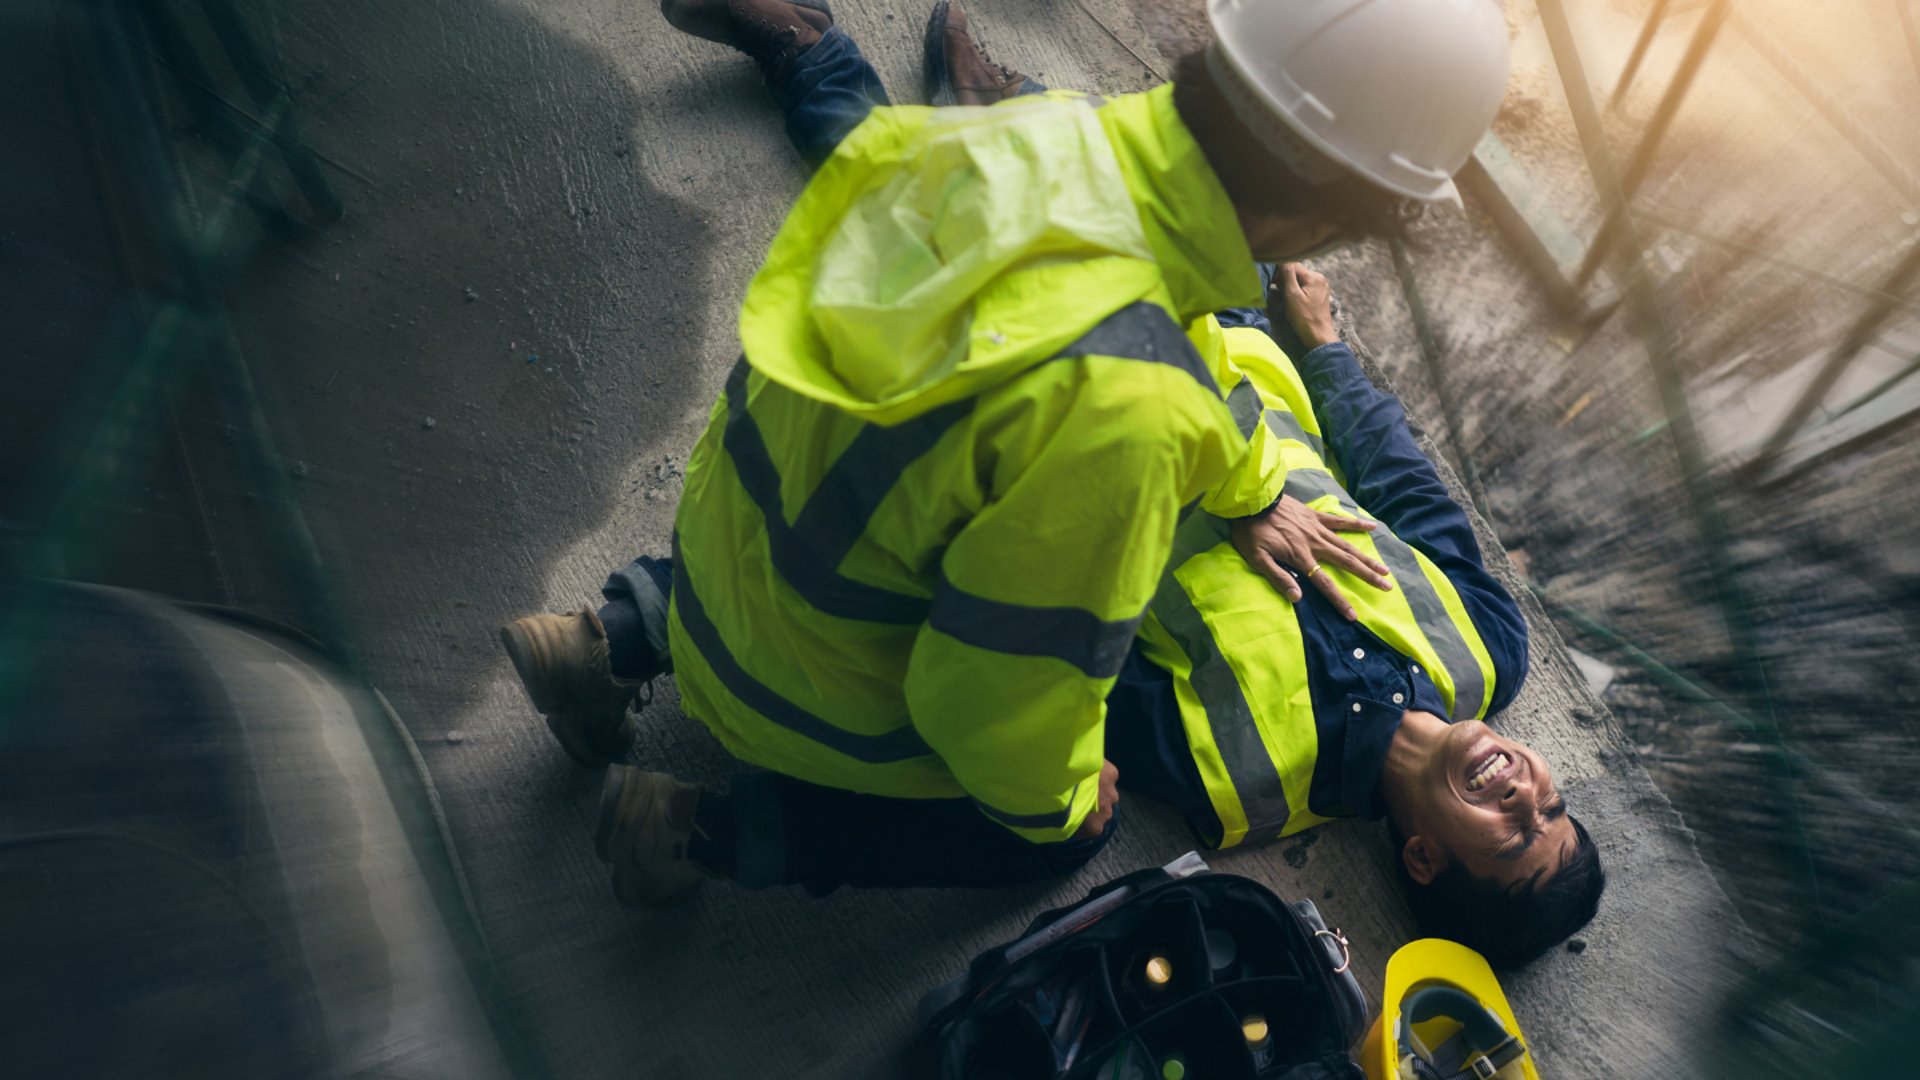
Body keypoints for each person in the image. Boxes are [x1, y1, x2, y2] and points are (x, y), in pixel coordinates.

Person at [500, 1, 1599, 964]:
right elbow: (989, 702)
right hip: (788, 669)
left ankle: (610, 633)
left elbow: (1162, 347)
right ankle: (690, 811)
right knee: (1053, 825)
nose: (1525, 785)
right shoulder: (1134, 415)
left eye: (1522, 826)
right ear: (1335, 217)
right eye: (1553, 799)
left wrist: (1251, 480)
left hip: (735, 530)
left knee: (947, 455)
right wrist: (1068, 795)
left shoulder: (1046, 128)